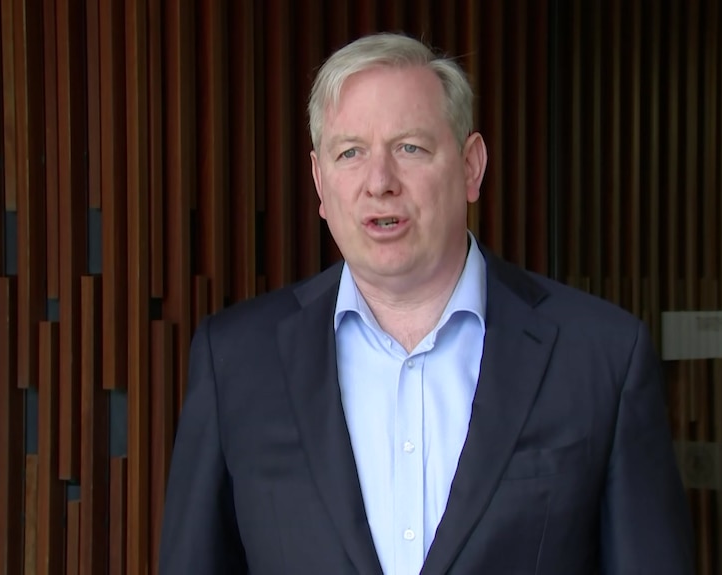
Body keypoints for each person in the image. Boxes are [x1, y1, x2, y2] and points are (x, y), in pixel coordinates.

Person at [158, 32, 694, 574]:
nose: (379, 182)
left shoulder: (601, 355)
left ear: (471, 166)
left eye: (410, 148)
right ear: (320, 182)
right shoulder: (236, 361)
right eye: (351, 153)